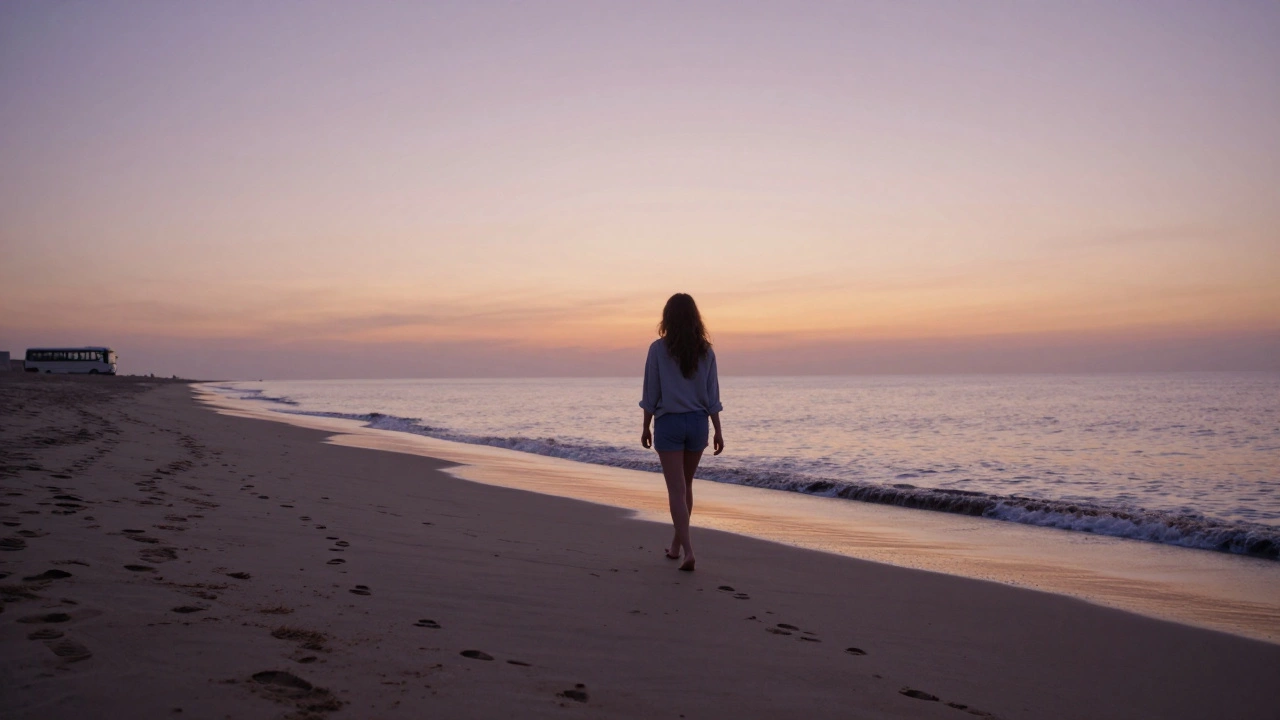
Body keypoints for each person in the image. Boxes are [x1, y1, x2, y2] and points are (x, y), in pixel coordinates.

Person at [639, 293, 724, 572]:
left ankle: (689, 551)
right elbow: (712, 395)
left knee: (676, 490)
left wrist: (646, 424)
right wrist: (718, 430)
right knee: (685, 487)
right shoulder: (706, 351)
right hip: (698, 423)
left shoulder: (658, 349)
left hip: (670, 423)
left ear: (668, 318)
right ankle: (676, 547)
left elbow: (651, 392)